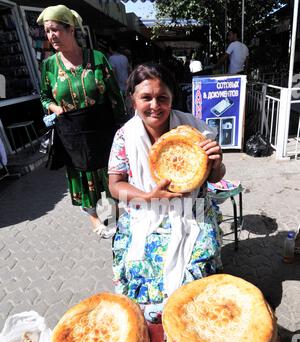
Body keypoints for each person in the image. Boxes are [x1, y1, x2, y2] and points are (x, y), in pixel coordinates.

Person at [108, 62, 225, 323]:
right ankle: (155, 322)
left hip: (191, 212)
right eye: (146, 97)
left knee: (195, 269)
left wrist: (216, 162)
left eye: (163, 98)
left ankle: (190, 317)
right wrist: (149, 197)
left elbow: (216, 177)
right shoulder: (125, 137)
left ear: (172, 98)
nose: (155, 105)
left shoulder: (197, 131)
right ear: (132, 100)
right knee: (137, 264)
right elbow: (115, 185)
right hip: (145, 212)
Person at [38, 5, 126, 237]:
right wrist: (54, 107)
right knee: (82, 174)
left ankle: (113, 215)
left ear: (70, 29)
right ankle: (94, 218)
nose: (51, 36)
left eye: (55, 30)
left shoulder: (96, 58)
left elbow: (114, 95)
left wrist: (123, 129)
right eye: (47, 32)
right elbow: (44, 96)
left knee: (107, 173)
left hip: (101, 126)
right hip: (71, 129)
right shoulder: (49, 66)